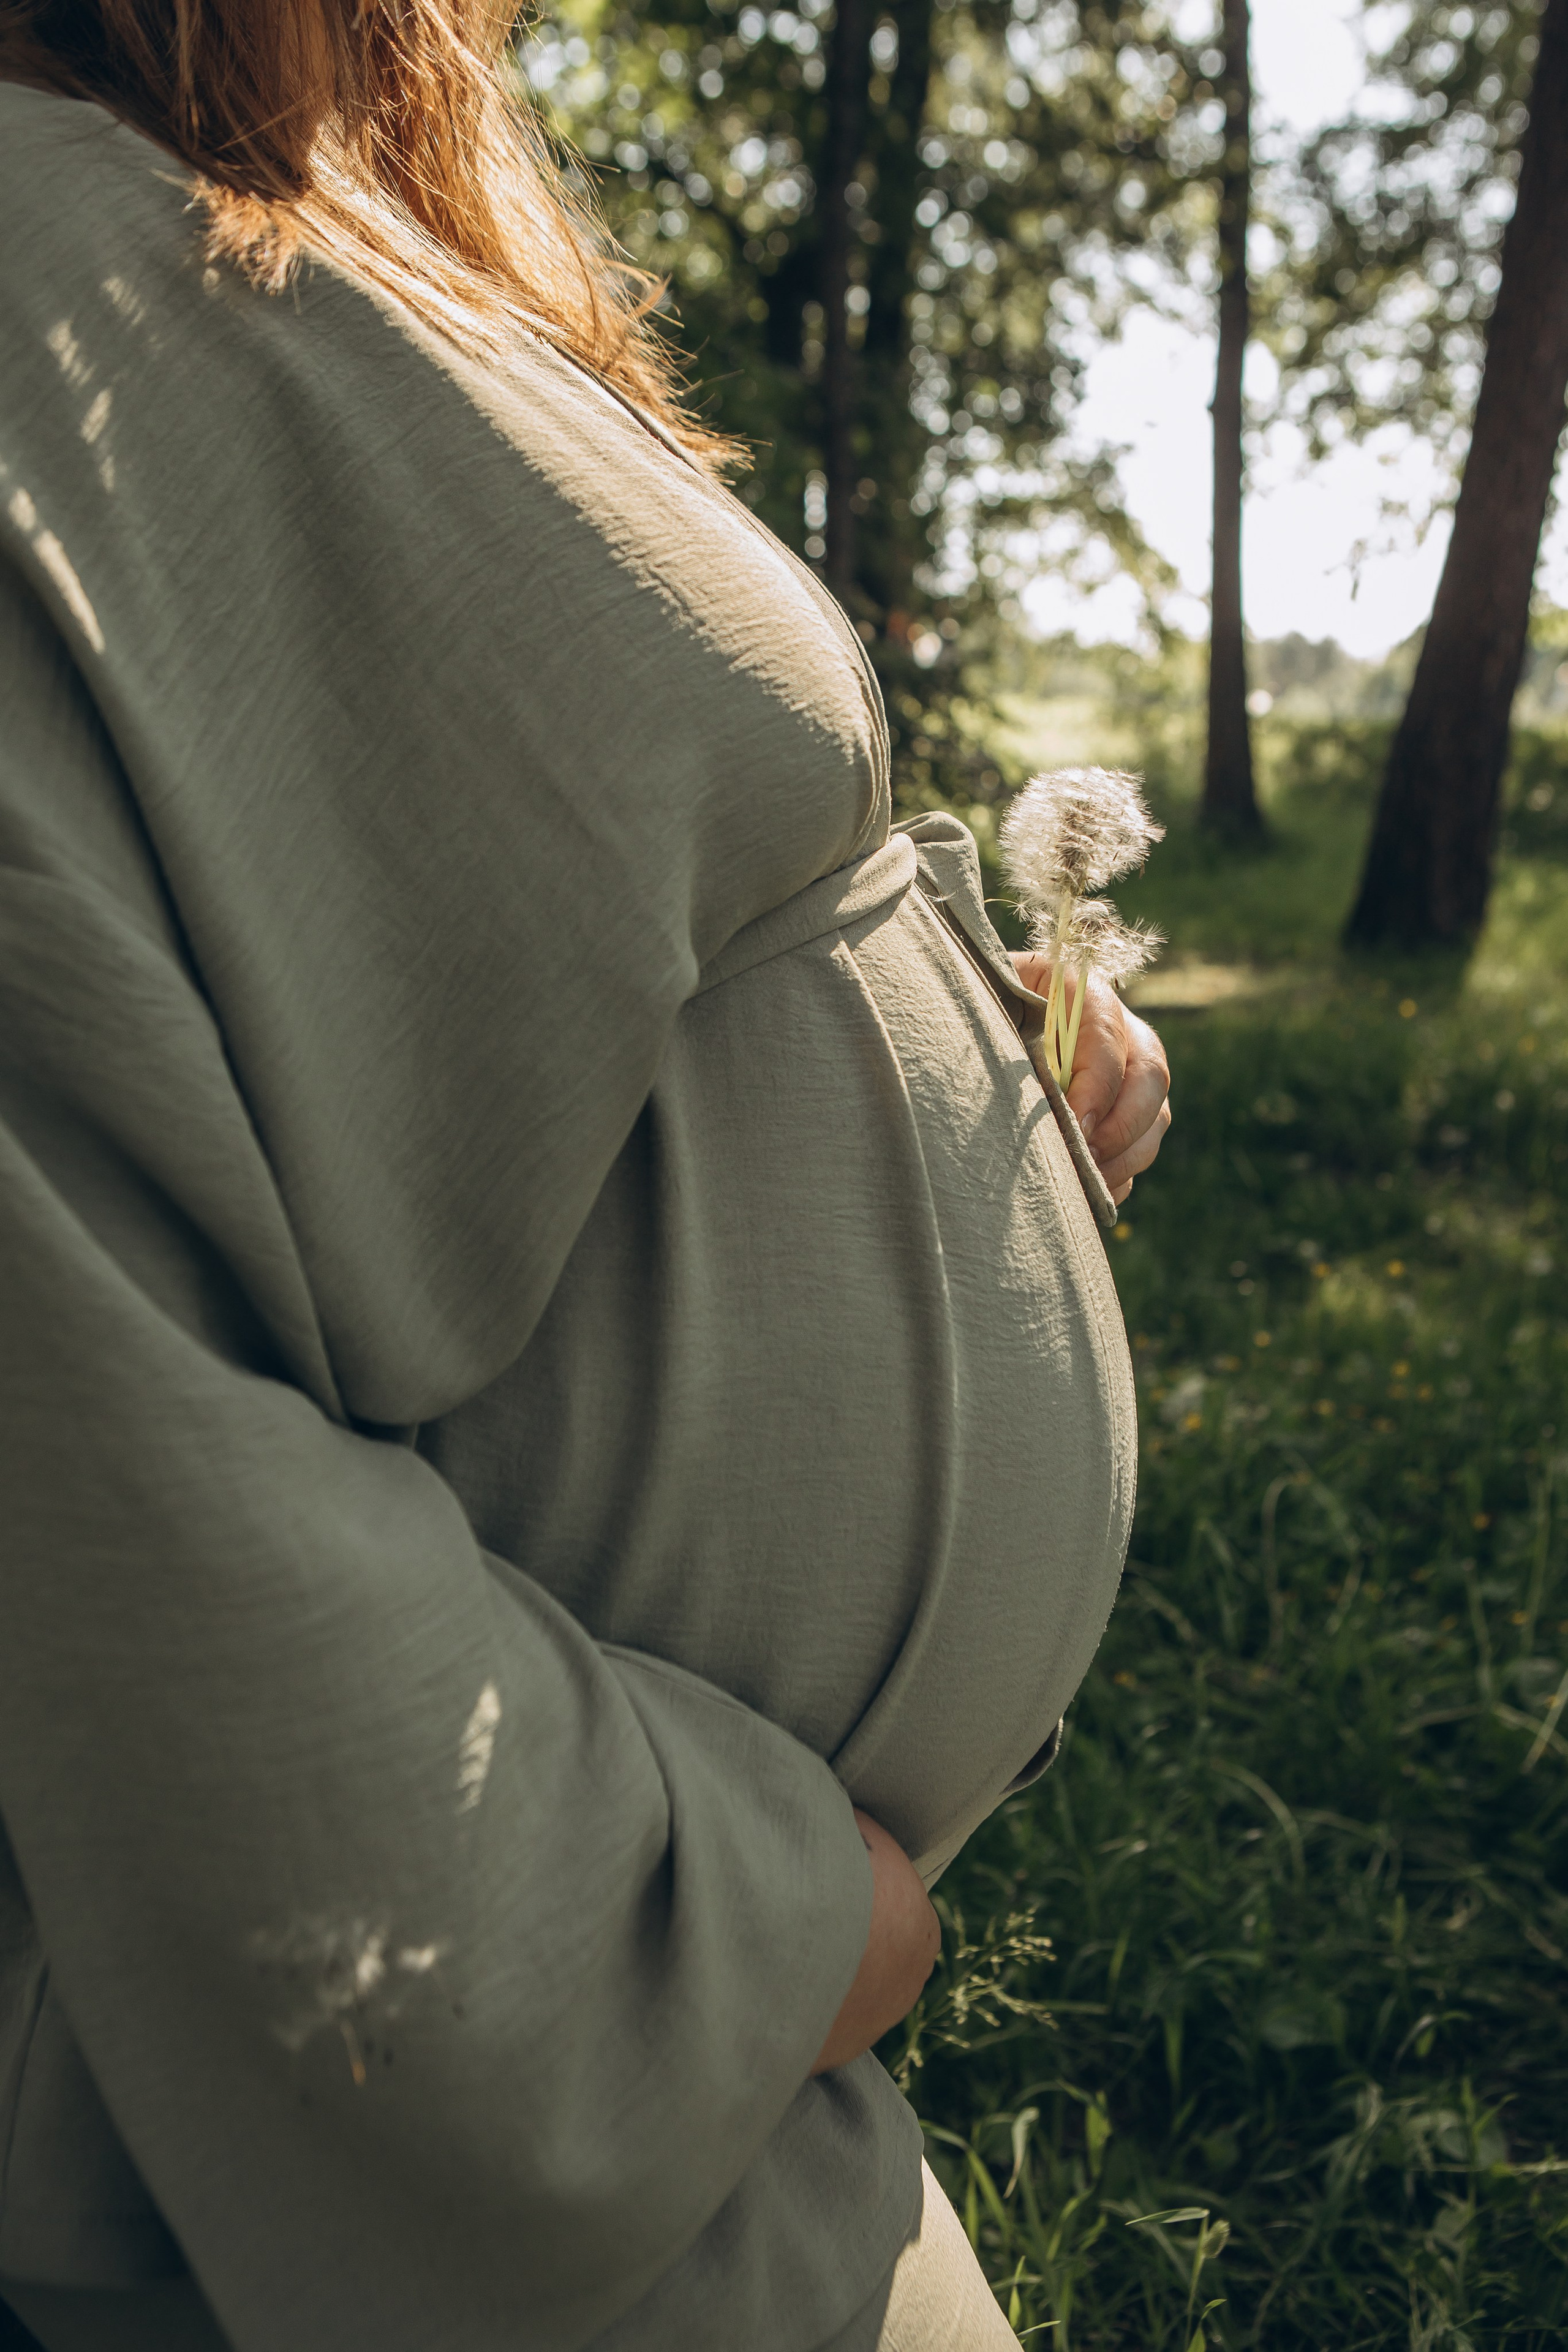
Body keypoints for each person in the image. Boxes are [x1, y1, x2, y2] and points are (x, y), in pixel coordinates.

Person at [0, 3, 1170, 2345]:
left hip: (739, 2182)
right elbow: (101, 1449)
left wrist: (930, 1026)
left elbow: (429, 949)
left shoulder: (268, 210)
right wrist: (715, 1931)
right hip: (502, 2203)